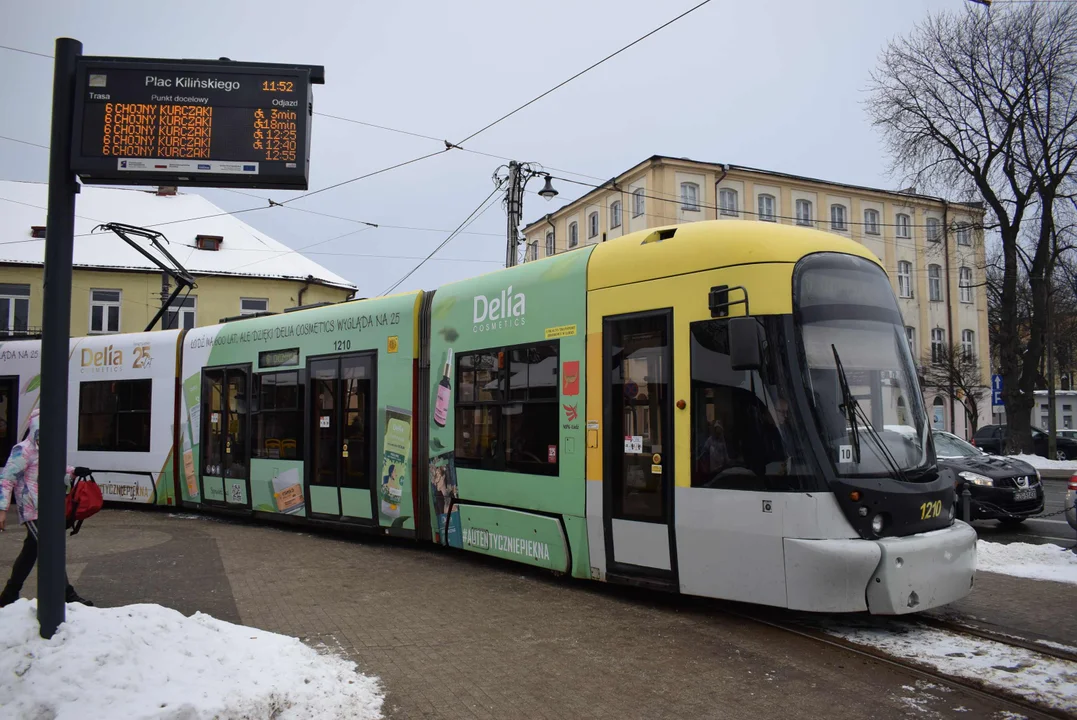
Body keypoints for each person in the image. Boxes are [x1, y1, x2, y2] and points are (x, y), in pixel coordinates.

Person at [0, 409, 92, 607]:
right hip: (32, 509)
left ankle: (9, 594)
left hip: (48, 507)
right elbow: (6, 479)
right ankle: (67, 593)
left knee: (31, 551)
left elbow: (59, 469)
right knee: (49, 547)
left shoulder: (47, 448)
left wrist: (74, 472)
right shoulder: (22, 450)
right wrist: (2, 510)